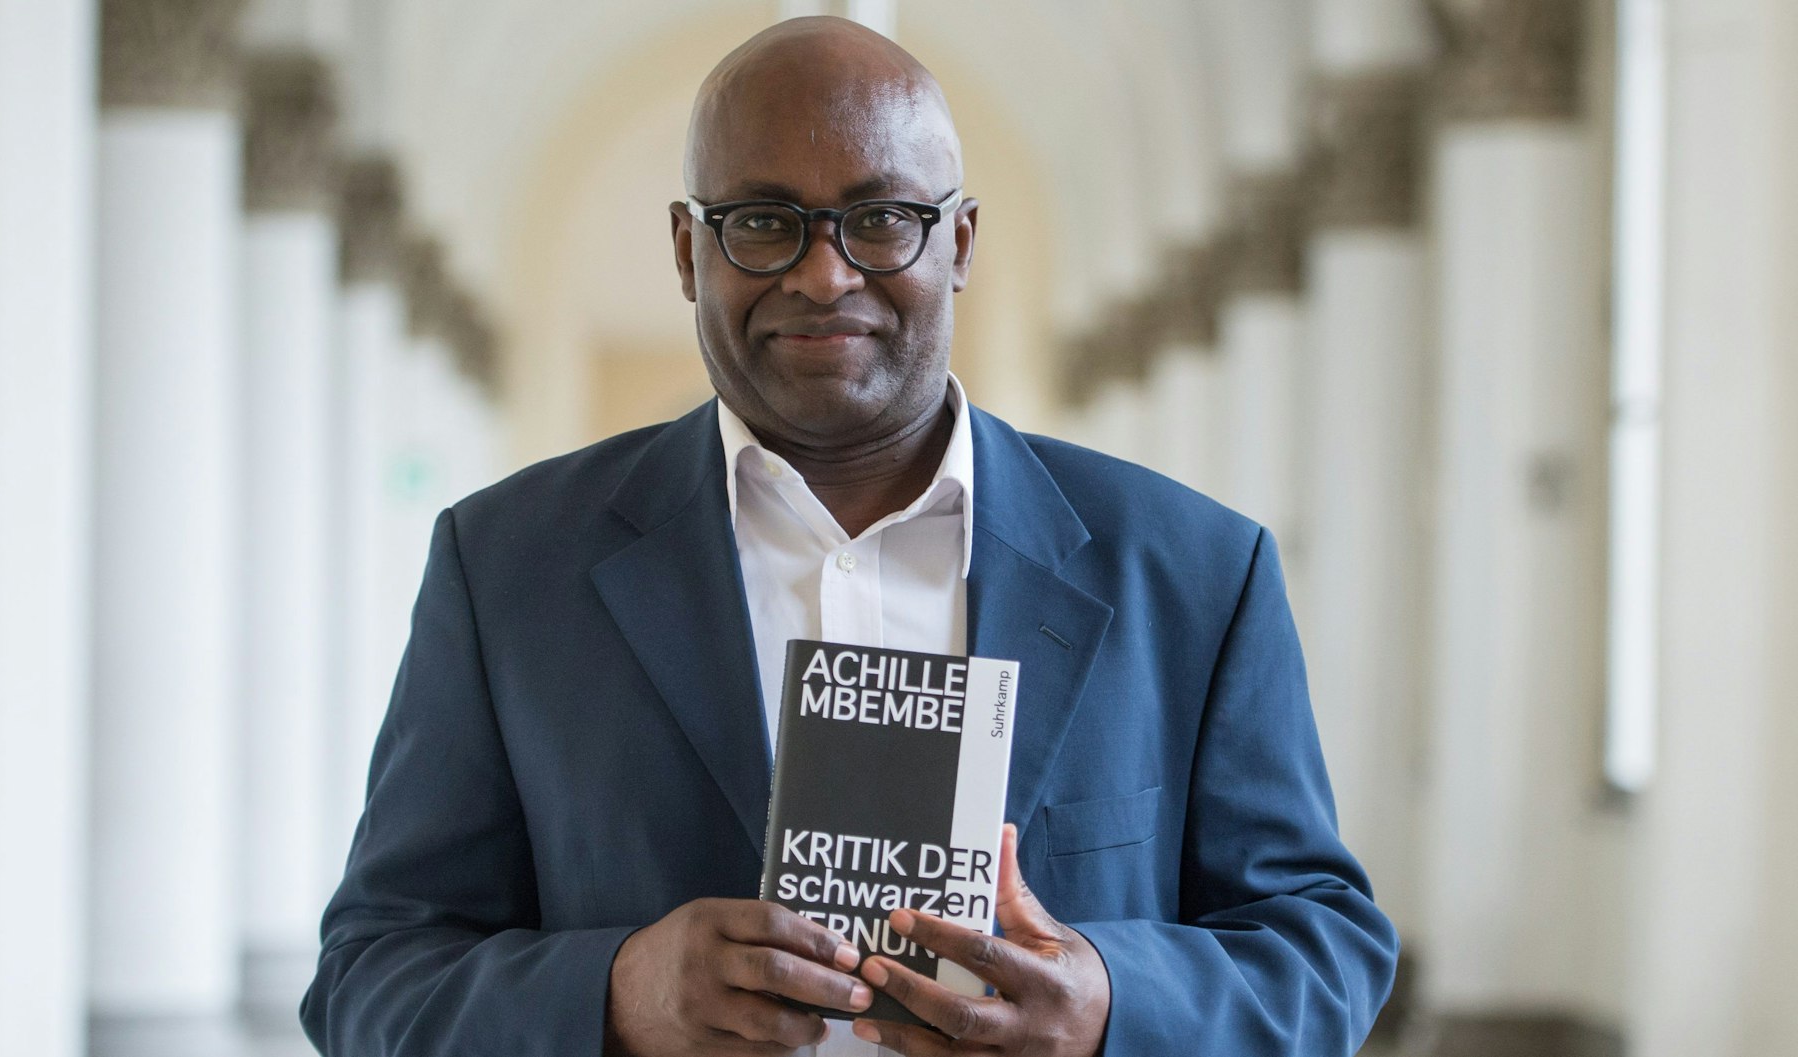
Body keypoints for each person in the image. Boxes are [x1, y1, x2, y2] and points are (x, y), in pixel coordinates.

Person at [301, 15, 1396, 1057]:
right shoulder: (508, 572)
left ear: (958, 241)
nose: (823, 275)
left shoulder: (1194, 575)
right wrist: (617, 992)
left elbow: (1322, 947)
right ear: (688, 250)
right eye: (763, 222)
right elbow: (371, 973)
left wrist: (1109, 1004)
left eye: (880, 219)